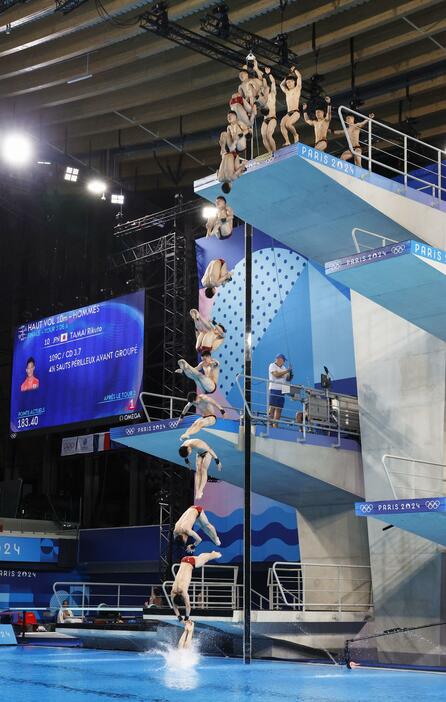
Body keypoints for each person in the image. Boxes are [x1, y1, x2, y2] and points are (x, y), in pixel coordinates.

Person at [171, 551, 222, 620]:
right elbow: (174, 605)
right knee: (201, 558)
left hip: (191, 562)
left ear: (182, 598)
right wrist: (179, 617)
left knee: (206, 559)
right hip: (184, 560)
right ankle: (211, 554)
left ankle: (215, 554)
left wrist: (186, 618)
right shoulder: (173, 590)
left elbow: (188, 606)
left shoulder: (183, 592)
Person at [279, 66, 302, 146]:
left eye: (289, 82)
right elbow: (281, 85)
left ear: (294, 82)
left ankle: (296, 135)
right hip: (288, 113)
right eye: (287, 83)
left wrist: (294, 70)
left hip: (296, 112)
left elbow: (299, 76)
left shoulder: (297, 89)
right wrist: (286, 77)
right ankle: (287, 141)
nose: (288, 84)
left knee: (288, 124)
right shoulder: (287, 92)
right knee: (282, 124)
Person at [268, 353, 292, 427]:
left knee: (279, 408)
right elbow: (276, 375)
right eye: (283, 360)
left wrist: (290, 373)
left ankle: (275, 425)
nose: (284, 361)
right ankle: (269, 424)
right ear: (279, 359)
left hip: (282, 390)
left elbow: (288, 379)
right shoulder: (272, 365)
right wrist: (287, 371)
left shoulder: (284, 368)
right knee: (272, 407)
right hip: (274, 389)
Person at [260, 67, 277, 153]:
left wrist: (268, 74)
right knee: (263, 136)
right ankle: (270, 152)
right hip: (265, 119)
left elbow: (273, 82)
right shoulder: (262, 98)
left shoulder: (273, 94)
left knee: (269, 135)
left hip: (272, 118)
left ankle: (274, 152)